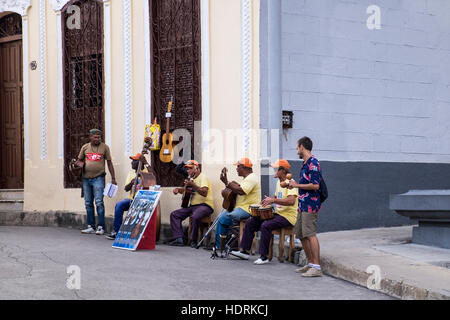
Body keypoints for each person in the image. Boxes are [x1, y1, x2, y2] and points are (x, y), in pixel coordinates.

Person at [231, 159, 298, 264]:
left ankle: (264, 256)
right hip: (279, 214)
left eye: (276, 168)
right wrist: (268, 201)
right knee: (251, 221)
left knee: (266, 225)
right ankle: (244, 251)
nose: (274, 170)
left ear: (283, 171)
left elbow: (291, 201)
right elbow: (277, 198)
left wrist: (273, 200)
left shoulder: (290, 183)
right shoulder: (279, 183)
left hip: (288, 217)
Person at [288, 136, 323, 277]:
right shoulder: (305, 163)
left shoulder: (313, 163)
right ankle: (310, 263)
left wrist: (296, 185)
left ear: (302, 147)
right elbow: (306, 183)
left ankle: (317, 267)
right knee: (301, 234)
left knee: (310, 234)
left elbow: (315, 185)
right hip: (302, 204)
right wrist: (295, 184)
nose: (297, 150)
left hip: (310, 204)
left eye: (297, 147)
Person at [76, 129, 116, 235]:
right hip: (86, 179)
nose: (98, 139)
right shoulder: (85, 147)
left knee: (99, 202)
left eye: (99, 137)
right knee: (88, 203)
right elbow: (79, 160)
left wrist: (113, 178)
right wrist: (79, 164)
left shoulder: (105, 147)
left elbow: (109, 163)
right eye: (95, 137)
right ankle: (90, 226)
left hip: (98, 178)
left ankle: (101, 227)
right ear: (90, 137)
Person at [214, 158, 261, 250]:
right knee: (221, 217)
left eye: (238, 167)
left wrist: (227, 182)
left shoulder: (252, 178)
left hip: (248, 209)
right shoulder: (245, 179)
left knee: (224, 218)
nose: (236, 169)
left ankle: (223, 245)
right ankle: (221, 245)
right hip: (240, 208)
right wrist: (227, 185)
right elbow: (236, 189)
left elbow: (241, 191)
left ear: (244, 167)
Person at [105, 153, 152, 240]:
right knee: (119, 205)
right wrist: (131, 183)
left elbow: (153, 176)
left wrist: (145, 162)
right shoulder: (131, 173)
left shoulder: (146, 171)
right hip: (131, 199)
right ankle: (117, 231)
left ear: (139, 163)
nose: (131, 163)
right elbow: (126, 189)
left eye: (134, 161)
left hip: (143, 200)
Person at [168, 160, 214, 247]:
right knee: (174, 215)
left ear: (196, 169)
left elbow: (204, 193)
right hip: (193, 206)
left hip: (205, 205)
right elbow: (186, 191)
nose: (188, 171)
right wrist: (178, 190)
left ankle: (193, 240)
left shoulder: (202, 177)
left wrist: (192, 185)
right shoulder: (191, 179)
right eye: (187, 169)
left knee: (195, 216)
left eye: (190, 168)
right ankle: (179, 239)